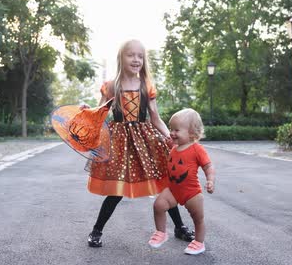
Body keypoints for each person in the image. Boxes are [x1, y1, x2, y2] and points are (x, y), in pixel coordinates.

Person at [86, 39, 194, 247]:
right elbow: (98, 114)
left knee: (162, 185)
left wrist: (169, 136)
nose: (136, 59)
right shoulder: (111, 86)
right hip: (118, 143)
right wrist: (86, 111)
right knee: (116, 190)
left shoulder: (146, 86)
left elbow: (155, 117)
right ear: (121, 58)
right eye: (131, 55)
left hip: (145, 142)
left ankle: (179, 228)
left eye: (140, 56)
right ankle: (96, 230)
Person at [147, 108, 215, 255]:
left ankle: (199, 242)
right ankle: (161, 232)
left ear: (192, 133)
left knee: (198, 219)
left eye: (176, 130)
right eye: (171, 129)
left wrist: (210, 180)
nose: (172, 133)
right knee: (158, 205)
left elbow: (208, 166)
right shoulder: (174, 147)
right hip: (173, 190)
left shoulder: (197, 149)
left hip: (191, 192)